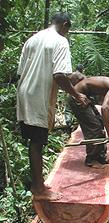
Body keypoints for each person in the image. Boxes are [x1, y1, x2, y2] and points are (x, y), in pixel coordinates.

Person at [16, 12, 89, 201]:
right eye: (68, 30)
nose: (67, 33)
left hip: (25, 92)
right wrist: (77, 94)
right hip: (38, 96)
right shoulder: (60, 41)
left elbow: (22, 72)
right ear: (65, 24)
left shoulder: (32, 39)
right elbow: (59, 76)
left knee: (35, 140)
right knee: (37, 143)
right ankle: (39, 189)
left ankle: (37, 183)